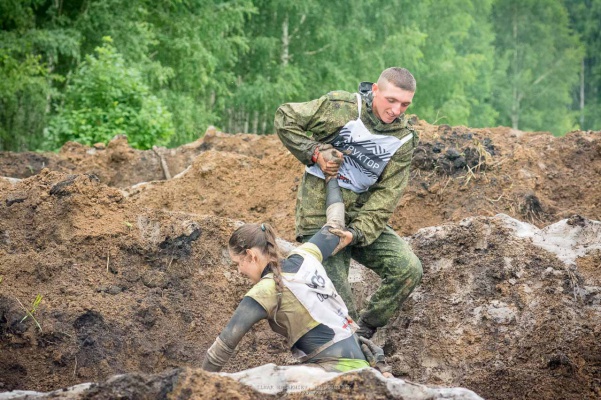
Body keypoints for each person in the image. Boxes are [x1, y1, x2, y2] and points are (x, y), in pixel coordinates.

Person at [274, 67, 423, 339]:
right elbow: (285, 117)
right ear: (375, 90)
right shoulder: (341, 108)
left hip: (359, 217)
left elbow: (386, 196)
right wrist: (315, 152)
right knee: (340, 304)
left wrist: (356, 233)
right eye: (391, 100)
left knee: (408, 269)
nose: (396, 110)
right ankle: (350, 343)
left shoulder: (403, 138)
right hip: (320, 216)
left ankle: (364, 331)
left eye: (404, 104)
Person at [202, 175, 389, 374]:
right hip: (363, 362)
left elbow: (222, 348)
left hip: (334, 371)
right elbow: (335, 223)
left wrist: (199, 382)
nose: (239, 270)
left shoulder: (265, 290)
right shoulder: (306, 255)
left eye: (238, 263)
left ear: (251, 255)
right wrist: (332, 178)